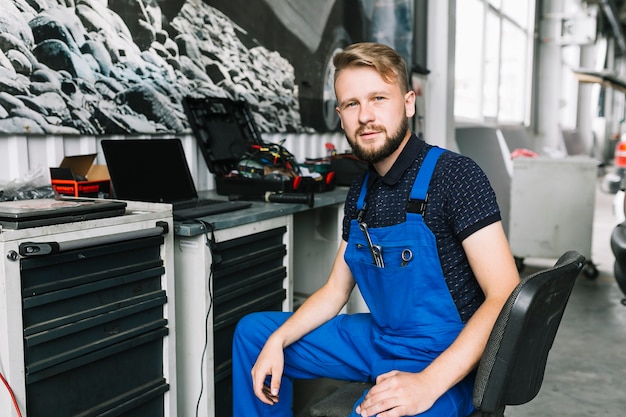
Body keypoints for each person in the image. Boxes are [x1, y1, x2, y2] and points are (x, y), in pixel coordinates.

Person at [232, 42, 520, 417]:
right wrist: (278, 339)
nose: (365, 116)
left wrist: (427, 384)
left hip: (444, 356)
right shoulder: (361, 194)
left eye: (379, 98)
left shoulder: (456, 176)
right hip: (379, 338)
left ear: (408, 103)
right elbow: (336, 290)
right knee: (255, 335)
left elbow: (504, 294)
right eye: (352, 104)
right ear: (341, 115)